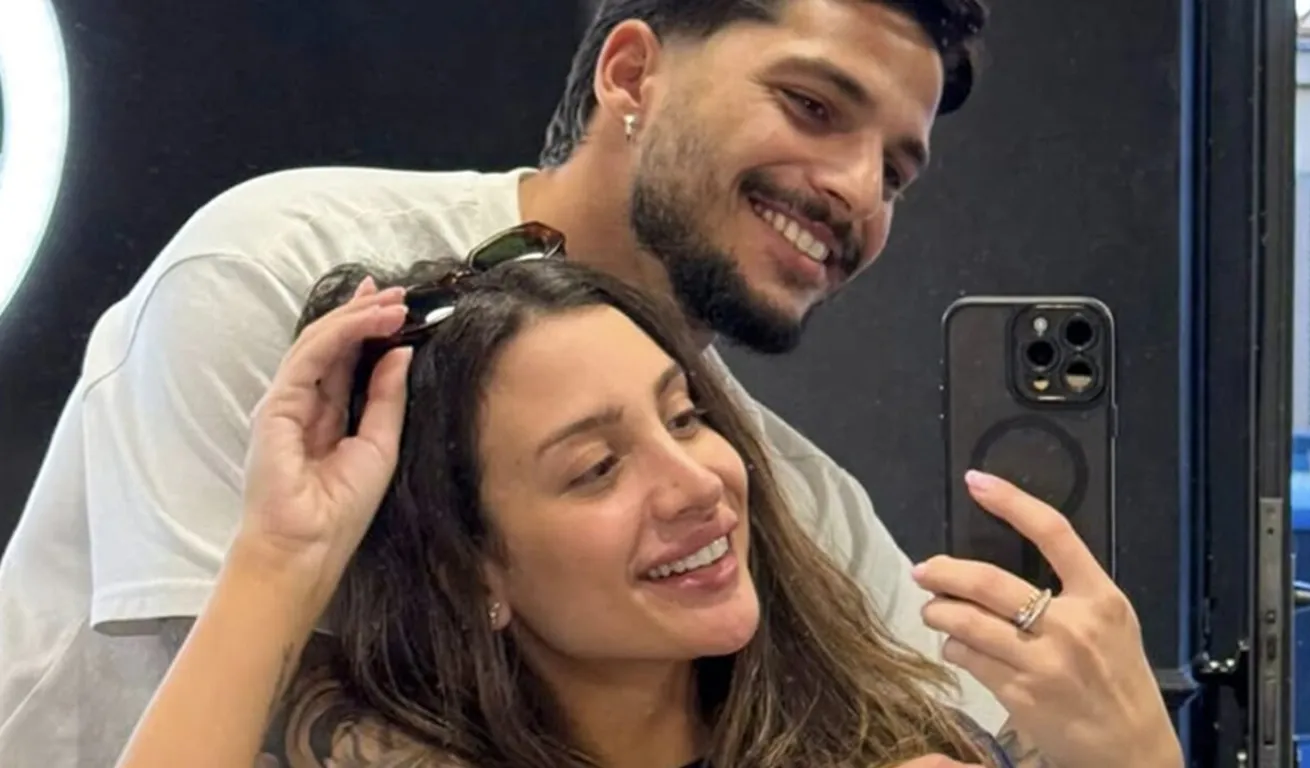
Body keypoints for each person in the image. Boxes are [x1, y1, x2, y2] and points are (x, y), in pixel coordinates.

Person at [0, 1, 1181, 766]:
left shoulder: (787, 501)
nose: (858, 192)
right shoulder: (281, 280)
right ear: (632, 71)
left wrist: (1122, 743)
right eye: (813, 106)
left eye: (896, 171)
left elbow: (984, 729)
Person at [118, 254, 1023, 767]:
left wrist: (1104, 743)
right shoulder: (367, 746)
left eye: (685, 417)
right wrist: (281, 554)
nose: (697, 484)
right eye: (596, 468)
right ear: (469, 571)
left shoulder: (899, 746)